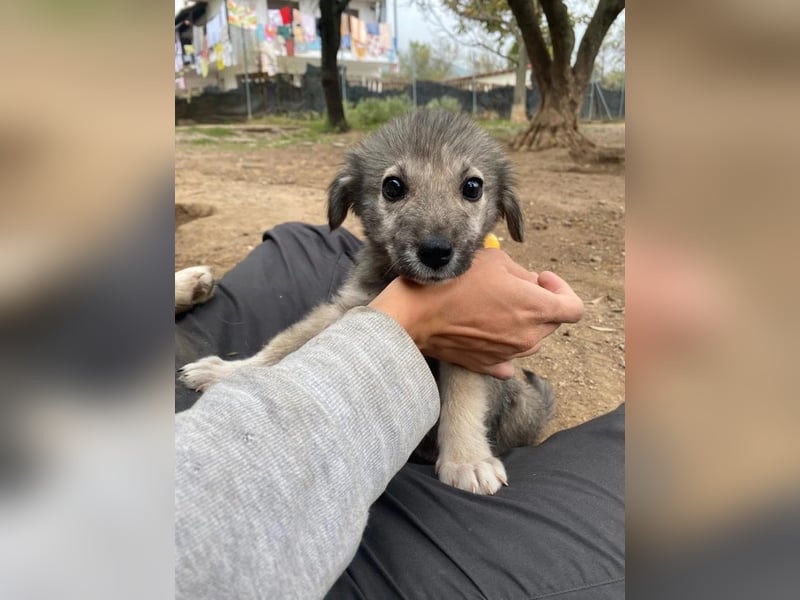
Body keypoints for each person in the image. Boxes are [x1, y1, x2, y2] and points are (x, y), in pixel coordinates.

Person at [175, 223, 624, 599]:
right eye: (395, 189)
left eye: (470, 190)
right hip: (262, 535)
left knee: (308, 243)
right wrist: (407, 321)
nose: (434, 224)